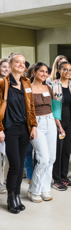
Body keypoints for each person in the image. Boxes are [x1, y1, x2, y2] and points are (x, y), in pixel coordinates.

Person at [0, 53, 37, 214]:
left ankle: (17, 196)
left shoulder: (26, 82)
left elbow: (31, 106)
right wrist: (0, 129)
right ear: (10, 64)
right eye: (17, 62)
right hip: (9, 129)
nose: (21, 64)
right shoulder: (3, 82)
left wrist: (34, 126)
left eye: (23, 62)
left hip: (24, 128)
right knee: (14, 165)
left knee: (20, 164)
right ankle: (10, 197)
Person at [28, 62, 57, 203]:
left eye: (46, 72)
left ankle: (45, 189)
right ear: (34, 72)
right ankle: (34, 190)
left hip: (50, 121)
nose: (44, 74)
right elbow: (27, 110)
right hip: (36, 124)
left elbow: (54, 107)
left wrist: (59, 125)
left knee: (51, 159)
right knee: (43, 159)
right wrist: (32, 125)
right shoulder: (28, 88)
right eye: (41, 71)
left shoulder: (48, 87)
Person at [50, 62, 71, 191]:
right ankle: (56, 179)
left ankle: (64, 177)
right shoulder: (53, 85)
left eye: (70, 70)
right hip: (58, 123)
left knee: (67, 151)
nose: (67, 72)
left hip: (70, 122)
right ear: (59, 70)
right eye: (65, 69)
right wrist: (59, 126)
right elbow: (54, 108)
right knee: (58, 151)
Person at [24, 64, 37, 185]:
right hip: (27, 122)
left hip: (40, 122)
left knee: (38, 152)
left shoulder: (45, 86)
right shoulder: (25, 84)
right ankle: (29, 175)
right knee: (28, 151)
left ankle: (36, 175)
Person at [0, 58, 10, 193]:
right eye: (3, 67)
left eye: (8, 67)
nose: (6, 69)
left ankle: (5, 180)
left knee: (9, 155)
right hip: (1, 124)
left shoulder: (12, 83)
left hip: (11, 125)